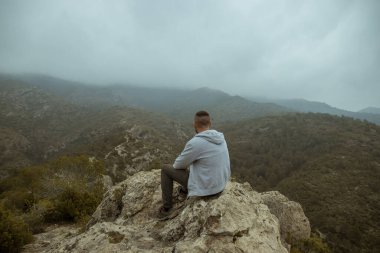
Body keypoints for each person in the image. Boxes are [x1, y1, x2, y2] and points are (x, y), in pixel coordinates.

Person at [158, 110, 231, 219]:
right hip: (221, 185)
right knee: (200, 164)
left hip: (207, 189)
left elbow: (178, 166)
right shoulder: (221, 138)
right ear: (210, 124)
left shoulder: (195, 143)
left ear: (195, 125)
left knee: (165, 169)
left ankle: (167, 209)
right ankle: (184, 190)